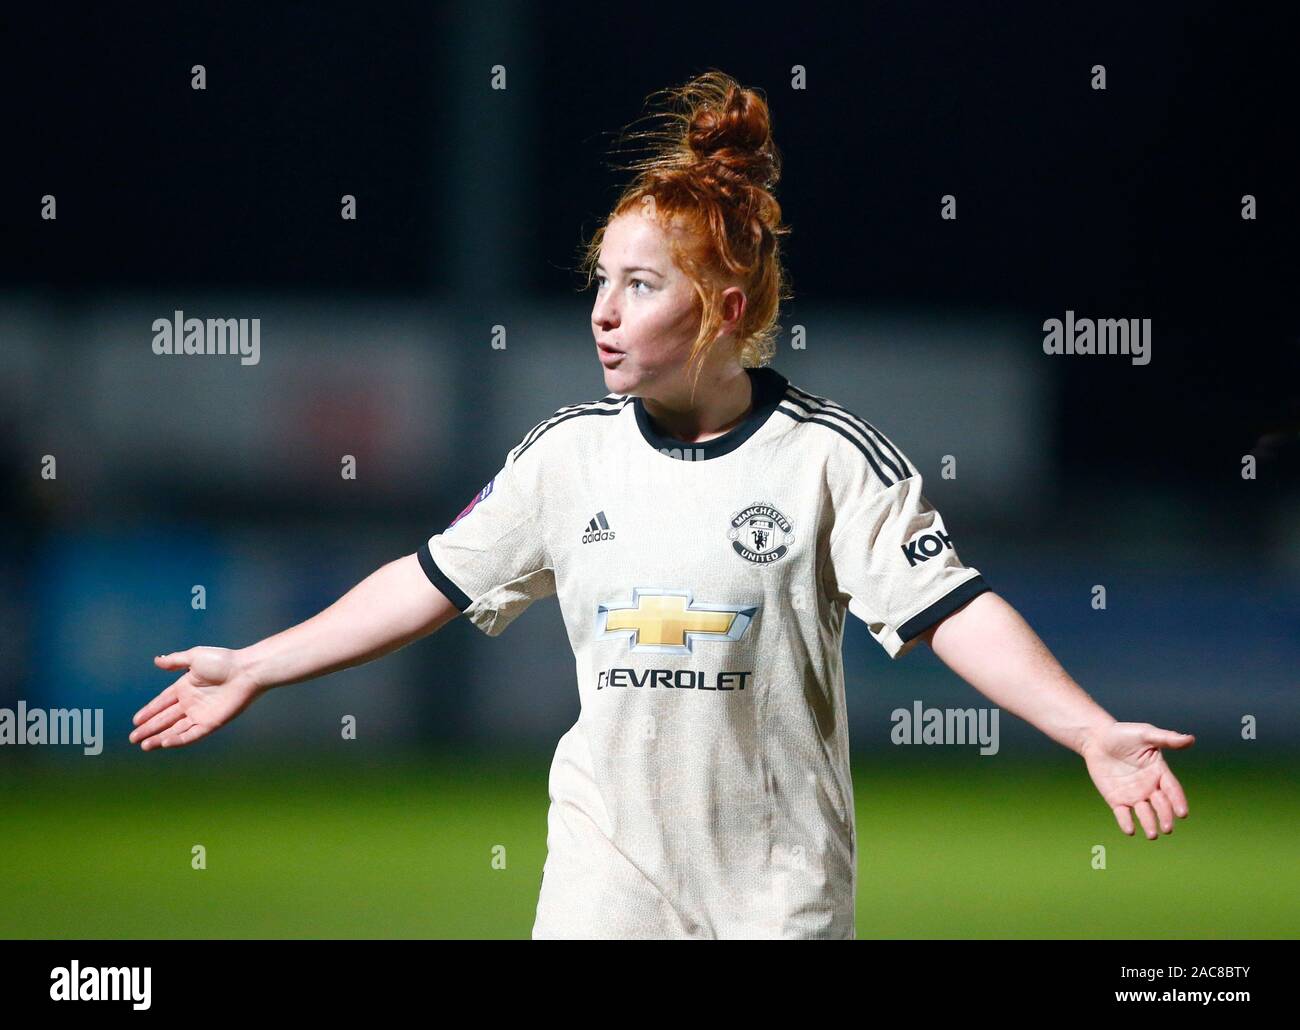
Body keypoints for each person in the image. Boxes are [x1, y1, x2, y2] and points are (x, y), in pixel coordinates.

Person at [131, 70, 1194, 939]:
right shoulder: (566, 456)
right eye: (600, 280)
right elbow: (429, 580)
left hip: (775, 899)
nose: (601, 311)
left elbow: (952, 606)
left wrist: (1088, 728)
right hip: (605, 885)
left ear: (724, 308)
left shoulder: (827, 459)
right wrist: (259, 663)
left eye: (640, 286)